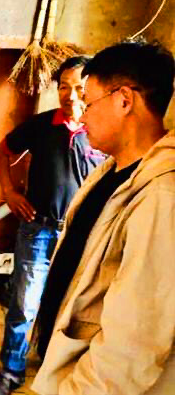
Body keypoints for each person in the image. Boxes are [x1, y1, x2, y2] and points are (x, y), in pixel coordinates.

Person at [32, 40, 175, 395]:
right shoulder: (112, 171)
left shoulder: (162, 196)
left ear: (124, 100)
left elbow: (135, 343)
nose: (81, 116)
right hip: (64, 370)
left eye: (89, 101)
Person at [0, 56, 105, 395]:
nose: (71, 95)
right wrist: (9, 192)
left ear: (93, 90)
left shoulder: (101, 132)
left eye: (79, 88)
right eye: (64, 87)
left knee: (69, 307)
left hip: (81, 237)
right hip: (38, 230)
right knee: (25, 303)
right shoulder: (41, 125)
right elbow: (1, 152)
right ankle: (11, 371)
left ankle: (50, 366)